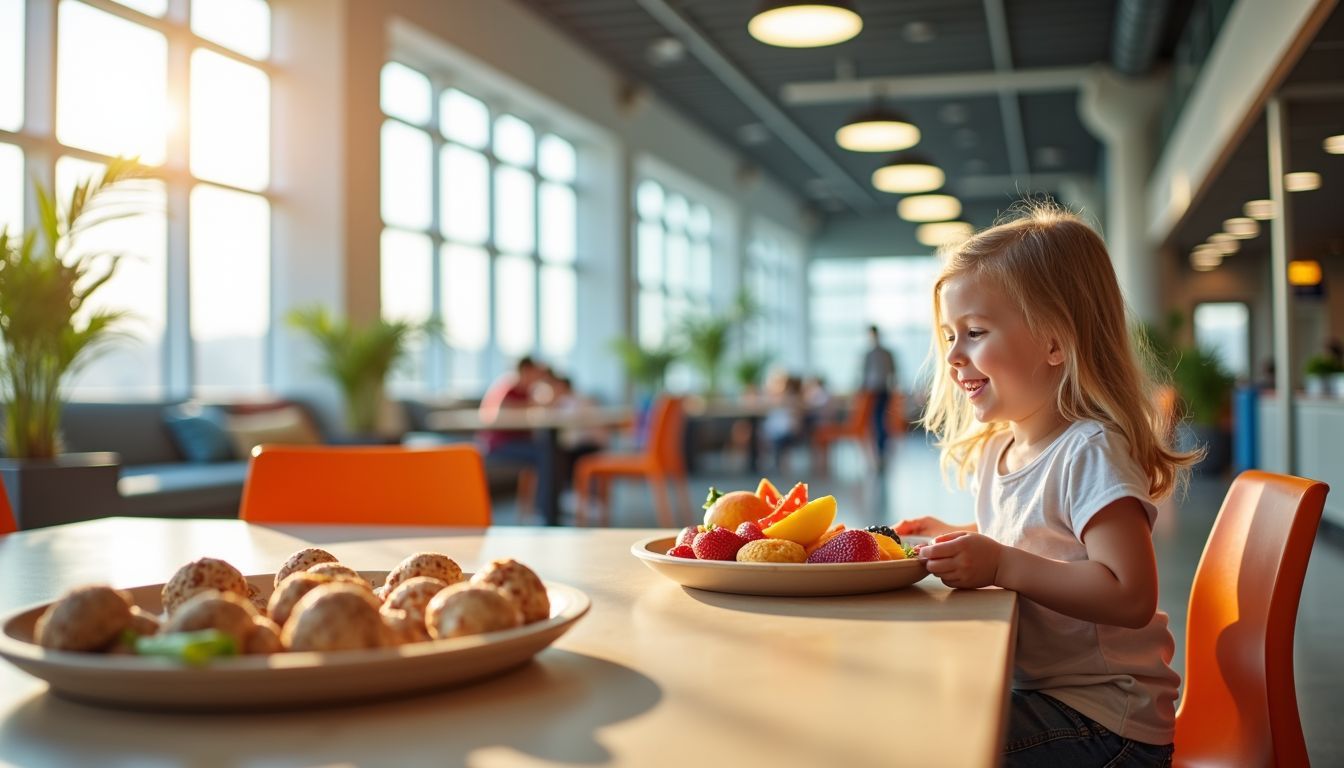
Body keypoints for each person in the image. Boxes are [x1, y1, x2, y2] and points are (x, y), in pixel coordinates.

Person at [896, 204, 1198, 766]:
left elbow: (1130, 594)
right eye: (949, 335)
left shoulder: (1089, 451)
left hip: (1107, 722)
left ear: (1055, 344)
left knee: (931, 738)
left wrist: (1001, 566)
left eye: (976, 332)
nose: (954, 356)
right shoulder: (1001, 447)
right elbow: (1041, 537)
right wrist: (962, 535)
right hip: (1047, 697)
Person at [859, 324, 897, 460]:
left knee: (879, 419)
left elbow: (892, 372)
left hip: (880, 389)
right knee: (877, 419)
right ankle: (879, 445)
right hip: (873, 390)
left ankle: (881, 445)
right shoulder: (872, 354)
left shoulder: (883, 354)